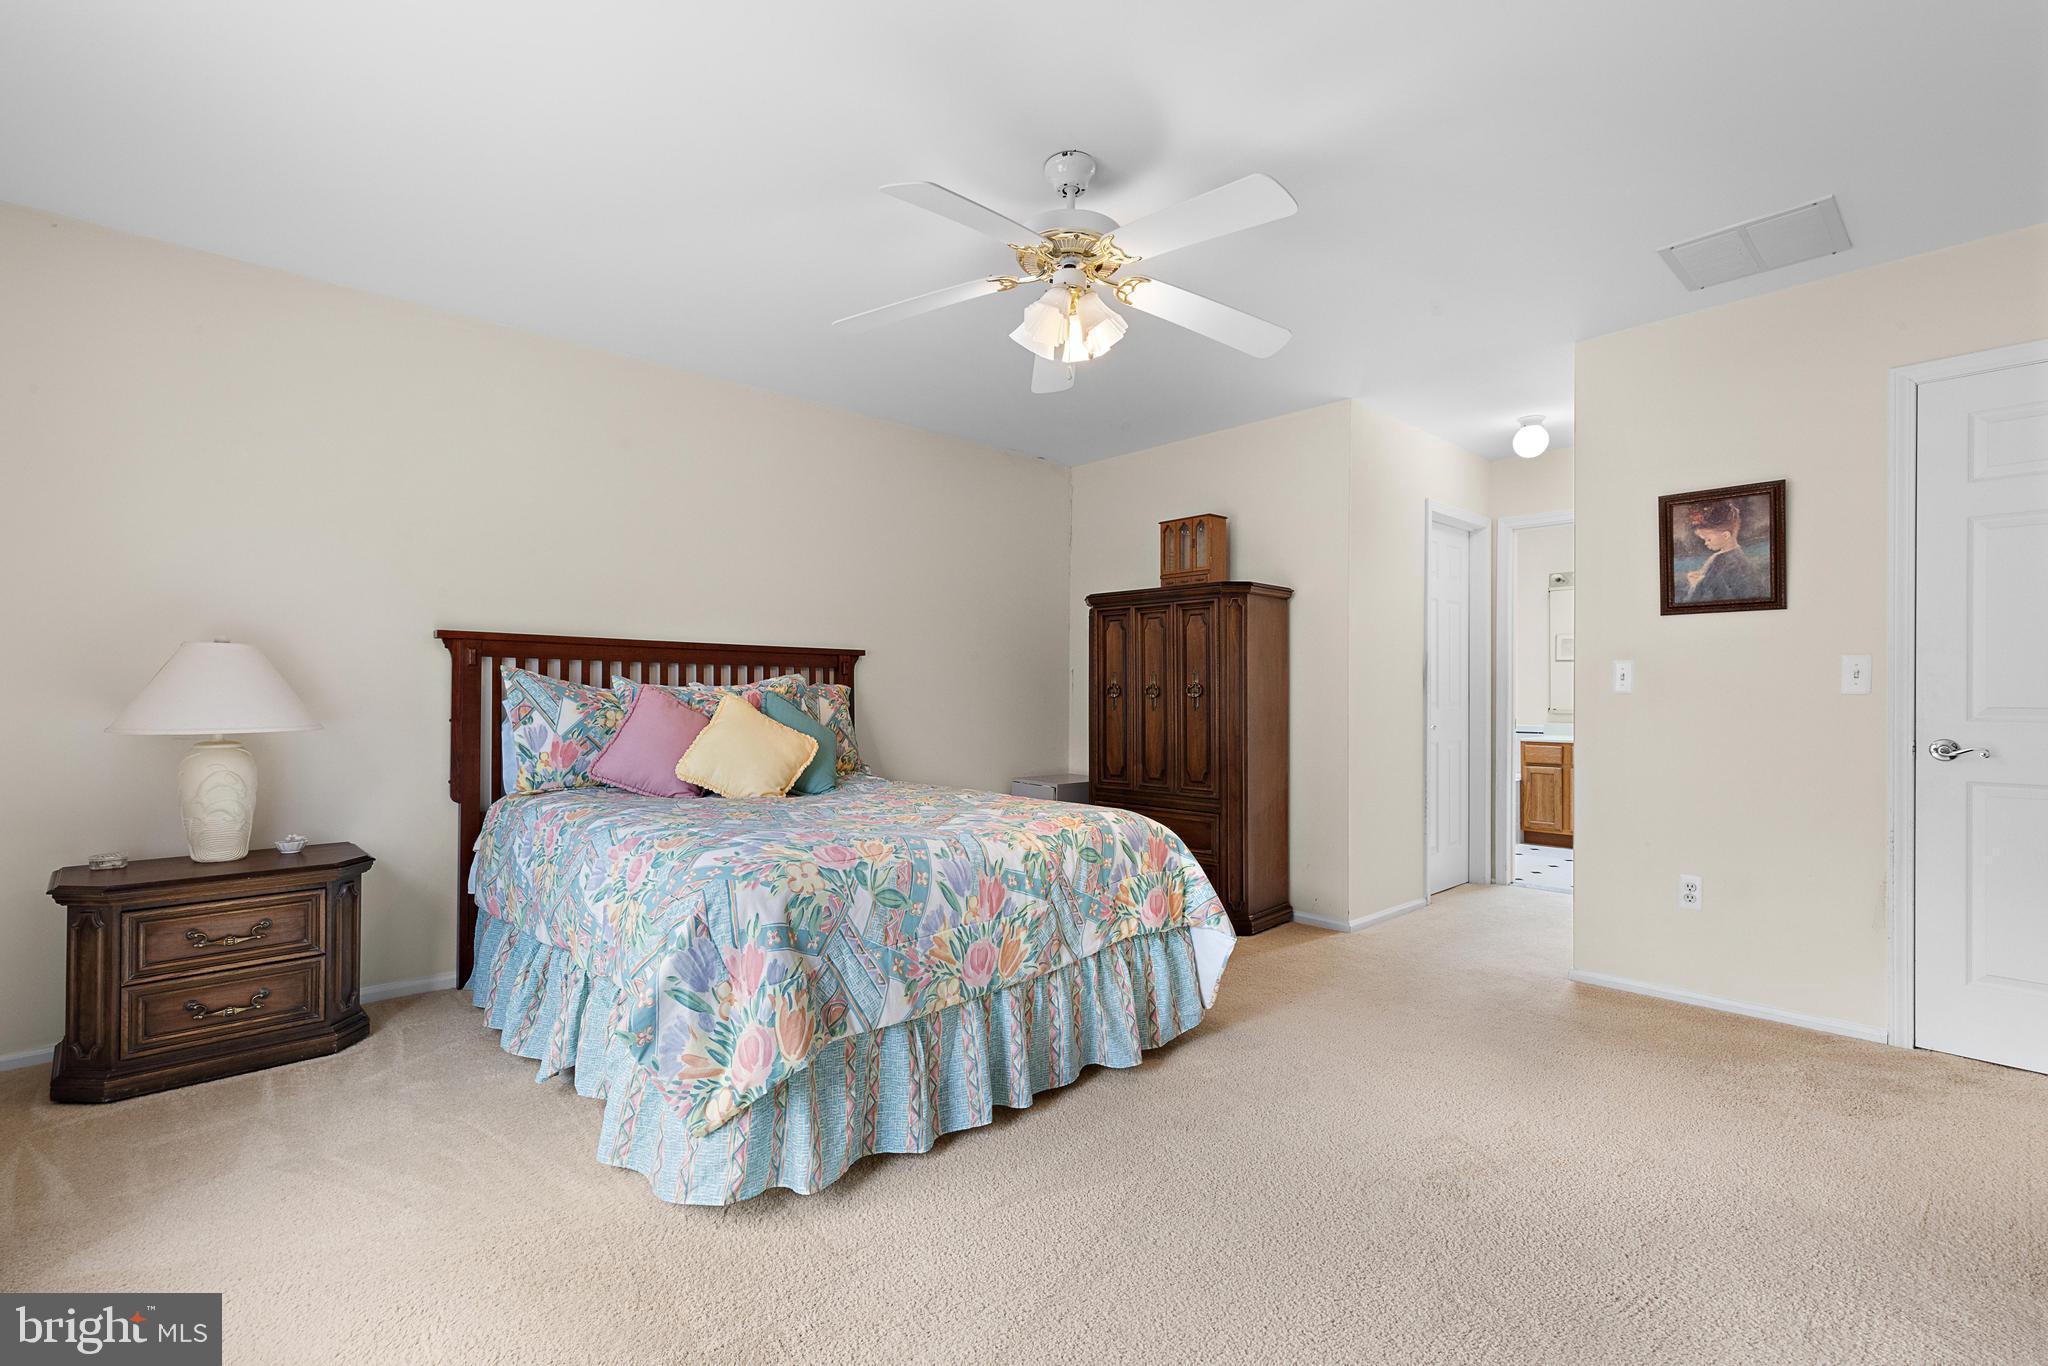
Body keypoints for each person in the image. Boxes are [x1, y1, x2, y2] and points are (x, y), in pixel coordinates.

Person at [1682, 500, 1768, 602]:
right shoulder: (1741, 556)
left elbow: (1694, 599)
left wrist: (1694, 584)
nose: (1706, 543)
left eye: (1708, 539)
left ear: (1726, 535)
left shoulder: (1717, 561)